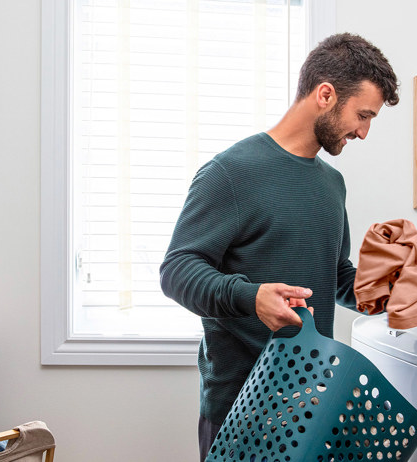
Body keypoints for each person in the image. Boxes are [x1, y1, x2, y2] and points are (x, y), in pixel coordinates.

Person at [159, 32, 399, 461]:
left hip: (310, 404)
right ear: (326, 95)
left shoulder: (332, 183)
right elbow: (177, 270)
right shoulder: (231, 172)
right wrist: (251, 298)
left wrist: (384, 291)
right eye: (362, 115)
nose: (363, 132)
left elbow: (335, 273)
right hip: (240, 408)